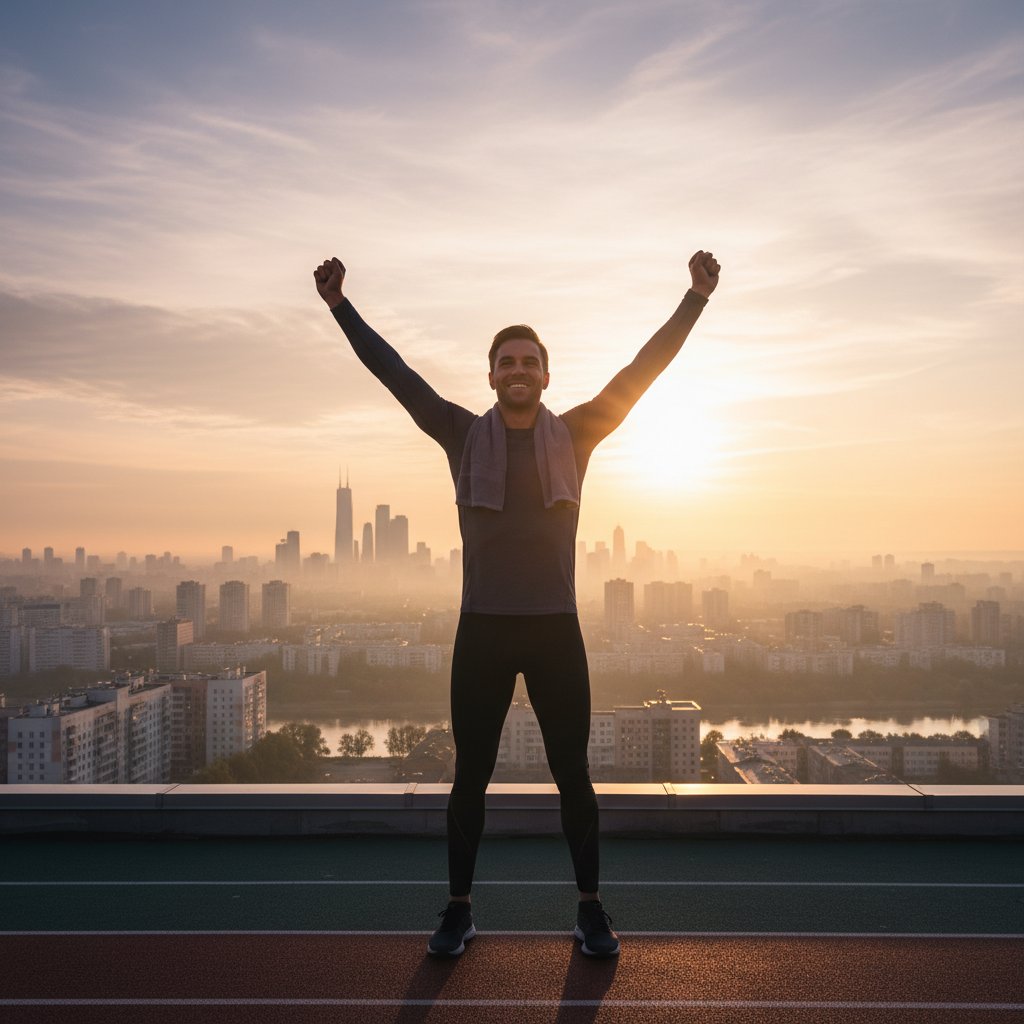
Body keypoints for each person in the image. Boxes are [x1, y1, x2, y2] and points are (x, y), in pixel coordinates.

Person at [313, 249, 720, 958]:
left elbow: (640, 372)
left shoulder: (579, 434)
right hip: (483, 631)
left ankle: (590, 910)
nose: (518, 370)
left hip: (556, 630)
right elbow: (397, 375)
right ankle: (458, 911)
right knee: (469, 778)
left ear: (546, 376)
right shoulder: (462, 434)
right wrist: (340, 307)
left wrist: (696, 298)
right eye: (507, 362)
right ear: (492, 377)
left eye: (530, 361)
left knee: (574, 778)